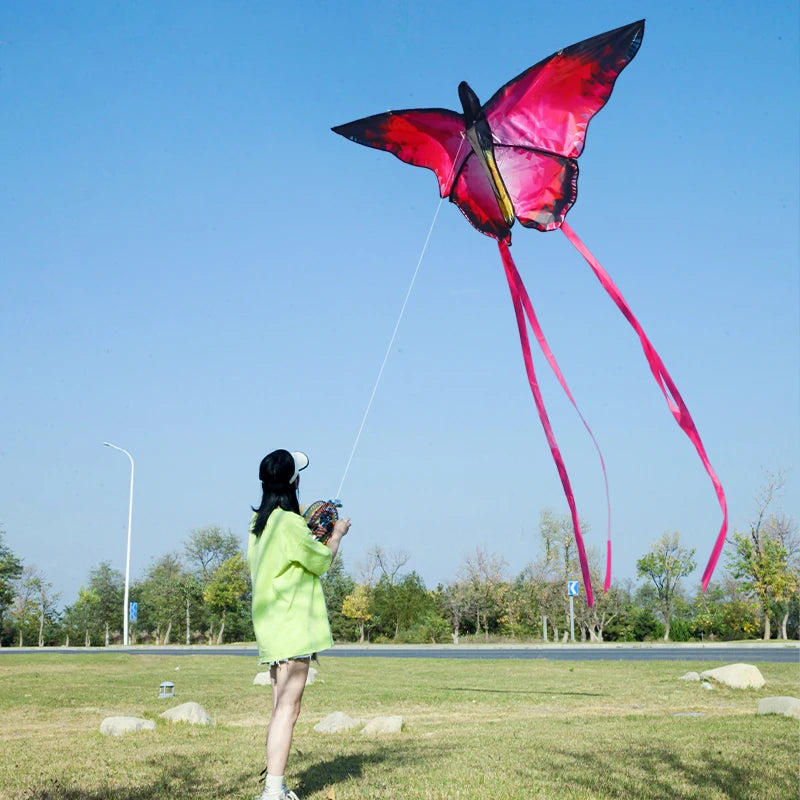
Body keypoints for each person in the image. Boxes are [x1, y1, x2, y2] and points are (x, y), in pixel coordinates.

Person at [248, 448, 351, 800]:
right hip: (292, 627)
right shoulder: (289, 524)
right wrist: (336, 533)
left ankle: (275, 784)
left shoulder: (258, 525)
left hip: (272, 627)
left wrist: (309, 532)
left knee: (281, 708)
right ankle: (272, 792)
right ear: (294, 481)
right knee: (288, 711)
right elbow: (321, 562)